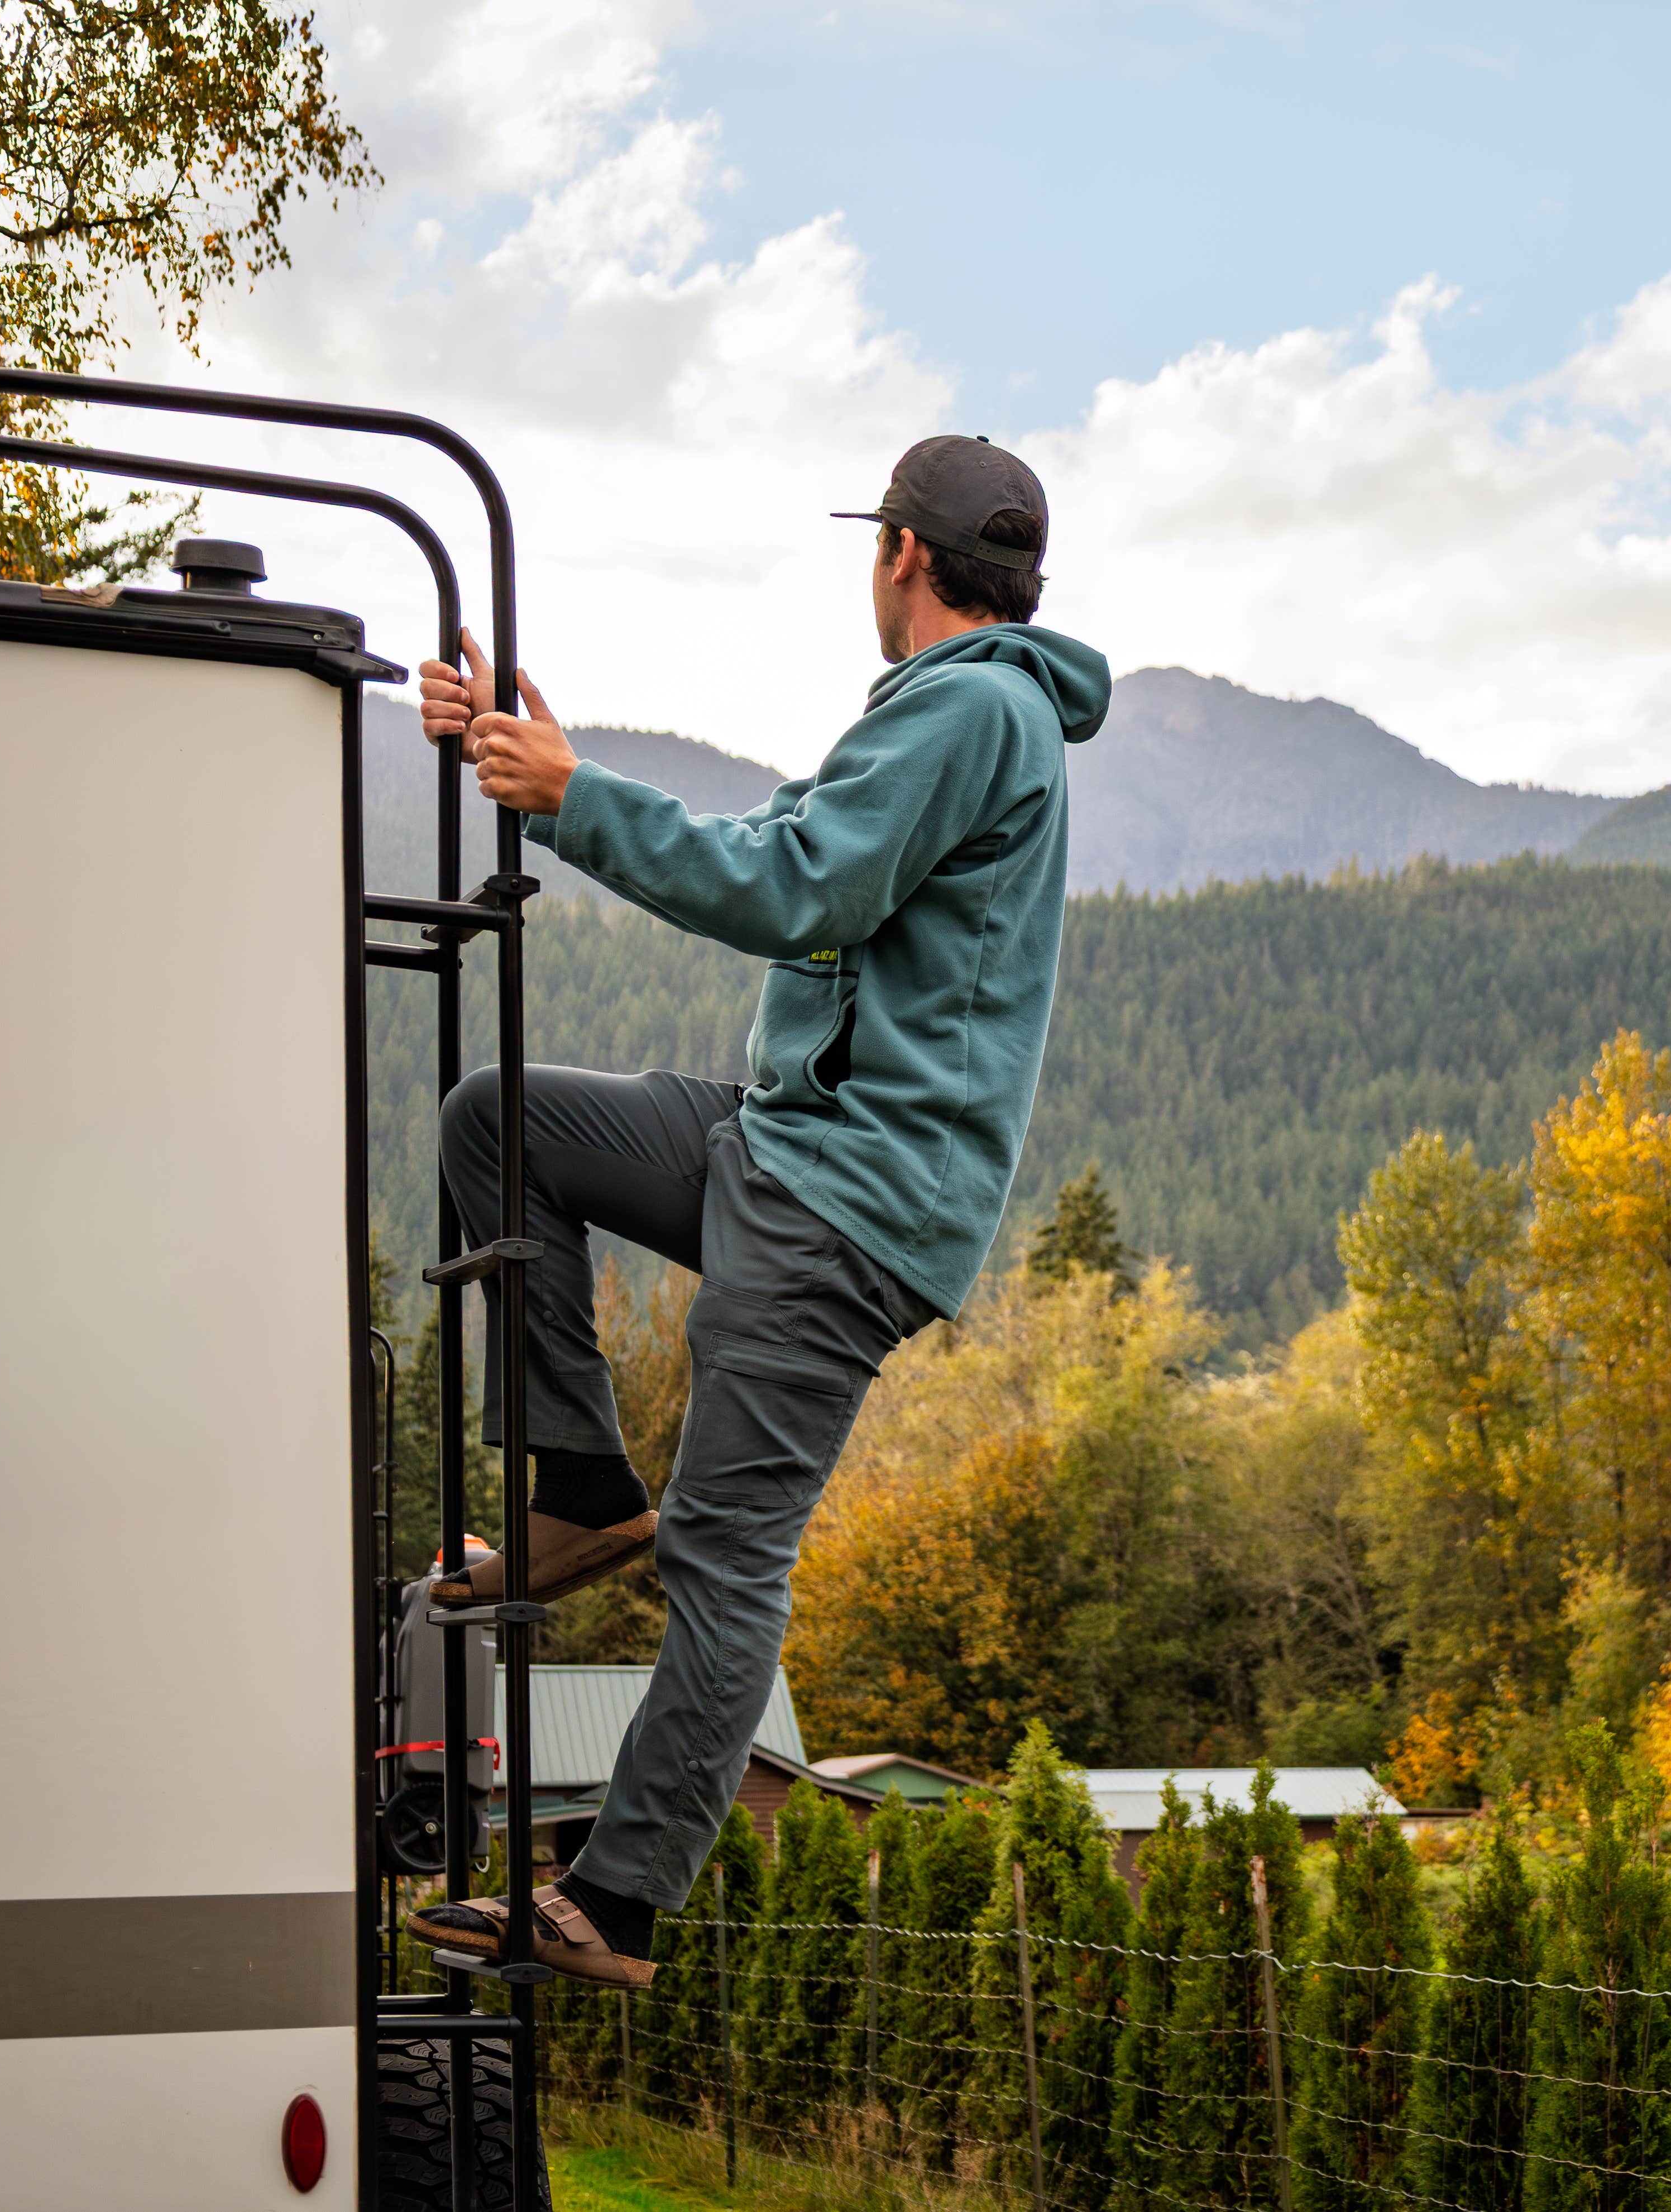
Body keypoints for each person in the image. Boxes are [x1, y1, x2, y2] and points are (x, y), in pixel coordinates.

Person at [406, 437, 1110, 1986]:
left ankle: (619, 1901)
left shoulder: (979, 707)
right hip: (776, 1143)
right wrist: (536, 765)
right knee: (500, 1121)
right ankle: (581, 1487)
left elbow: (799, 886)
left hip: (846, 1202)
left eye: (878, 550)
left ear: (904, 556)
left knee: (728, 1551)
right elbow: (780, 848)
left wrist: (574, 799)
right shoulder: (951, 713)